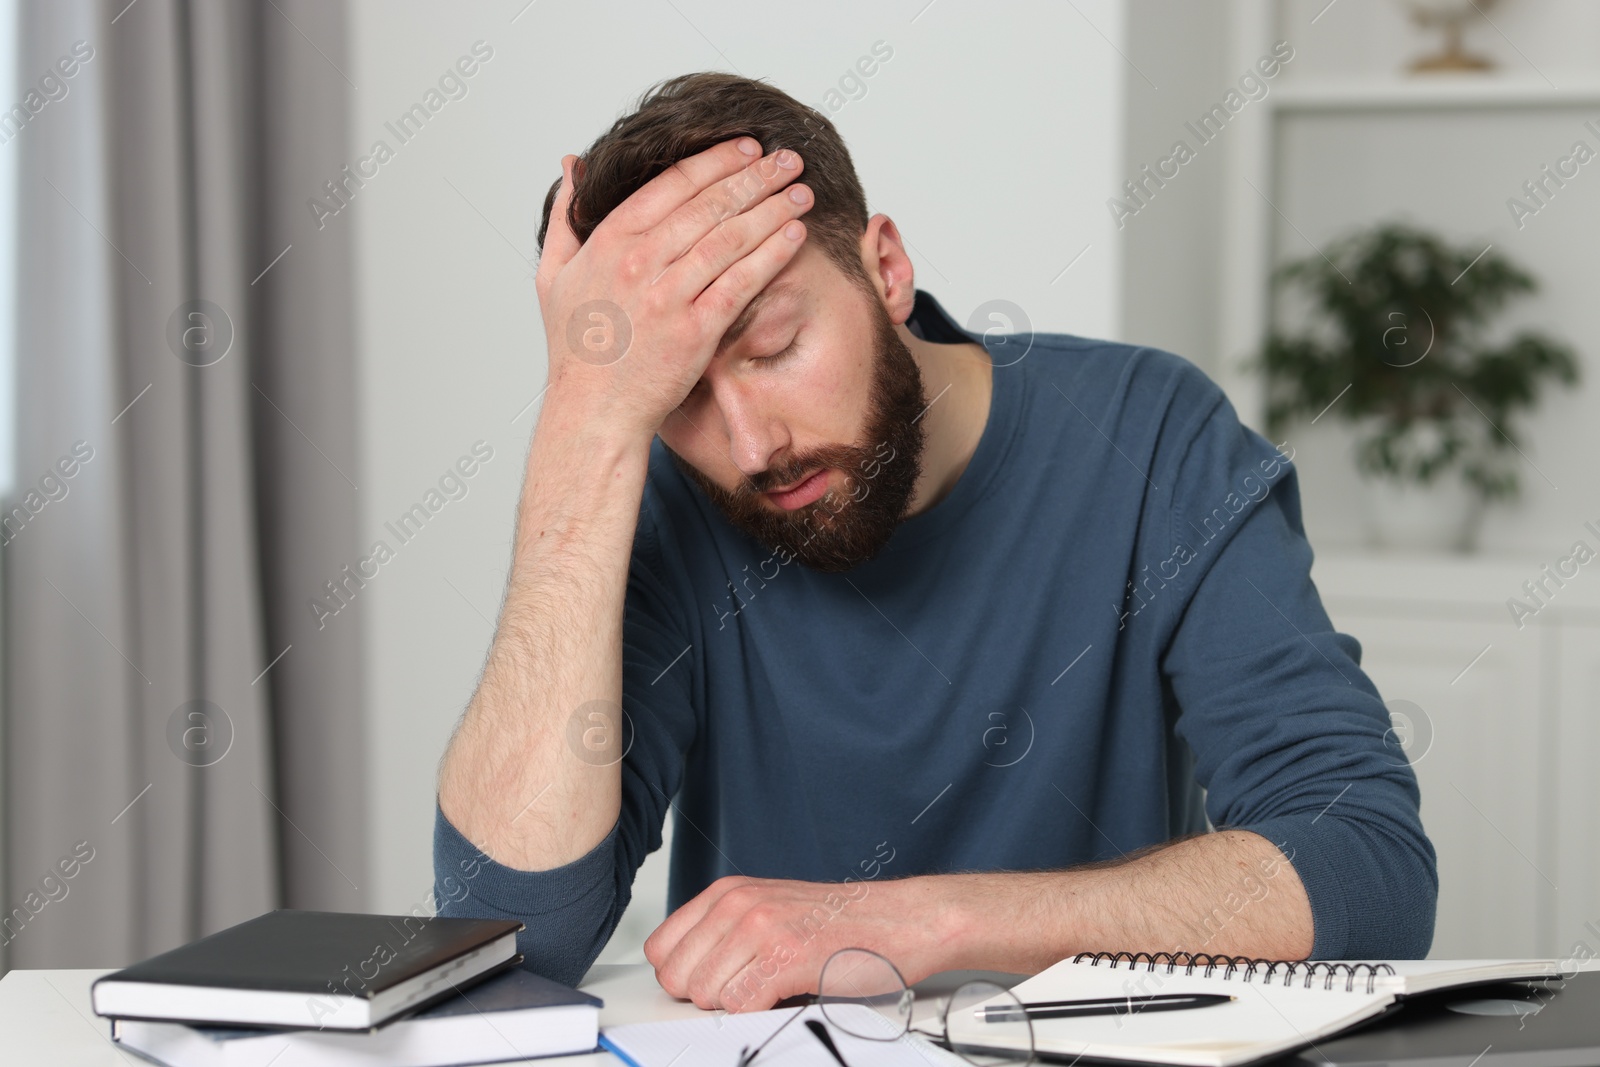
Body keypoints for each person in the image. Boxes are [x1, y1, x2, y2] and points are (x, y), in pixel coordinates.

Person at [433, 72, 1436, 1011]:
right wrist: (587, 421)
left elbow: (1364, 866)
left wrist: (922, 922)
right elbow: (510, 935)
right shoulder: (667, 493)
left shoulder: (1150, 435)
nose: (752, 444)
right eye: (678, 391)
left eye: (775, 346)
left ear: (885, 267)